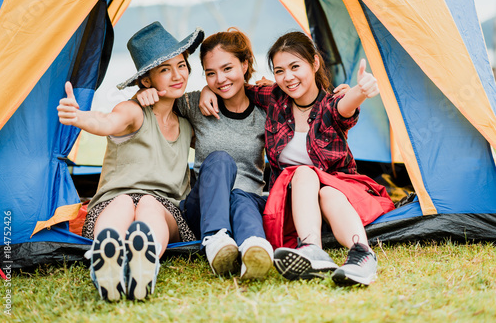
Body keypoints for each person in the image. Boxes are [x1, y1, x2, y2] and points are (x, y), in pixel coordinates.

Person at [201, 31, 395, 286]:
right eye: (279, 70)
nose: (288, 77)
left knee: (317, 183)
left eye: (295, 67)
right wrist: (206, 89)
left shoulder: (331, 104)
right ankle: (325, 251)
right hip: (296, 201)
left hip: (340, 189)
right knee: (304, 176)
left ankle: (355, 254)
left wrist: (360, 91)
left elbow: (345, 107)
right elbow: (233, 85)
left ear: (314, 63)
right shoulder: (274, 98)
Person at [57, 21, 204, 301]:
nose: (177, 75)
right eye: (165, 69)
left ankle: (142, 255)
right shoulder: (133, 111)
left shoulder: (187, 126)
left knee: (150, 203)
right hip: (112, 205)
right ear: (146, 80)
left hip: (166, 210)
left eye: (181, 65)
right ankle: (107, 250)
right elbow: (107, 121)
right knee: (124, 201)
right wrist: (80, 118)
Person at [135, 28, 274, 280]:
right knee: (220, 159)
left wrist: (343, 96)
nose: (220, 79)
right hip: (203, 209)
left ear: (245, 65)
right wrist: (142, 94)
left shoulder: (264, 111)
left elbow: (308, 102)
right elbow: (161, 95)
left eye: (227, 68)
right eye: (211, 73)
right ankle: (215, 240)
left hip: (248, 205)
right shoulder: (195, 104)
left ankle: (255, 248)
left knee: (241, 198)